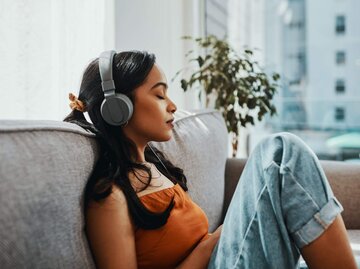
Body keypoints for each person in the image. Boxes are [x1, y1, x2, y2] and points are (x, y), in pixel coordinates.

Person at [64, 50, 357, 269]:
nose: (173, 106)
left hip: (224, 257)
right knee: (280, 153)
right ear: (118, 108)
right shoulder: (110, 198)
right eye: (159, 95)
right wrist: (205, 249)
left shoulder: (155, 168)